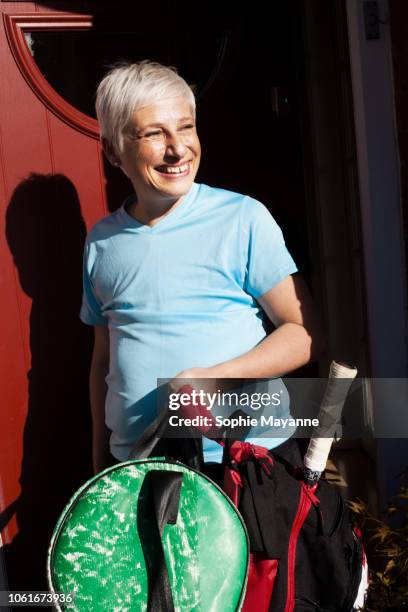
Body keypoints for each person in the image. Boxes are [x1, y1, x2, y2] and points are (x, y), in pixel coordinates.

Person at [80, 60, 324, 474]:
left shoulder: (241, 218)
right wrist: (100, 458)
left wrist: (217, 377)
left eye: (186, 127)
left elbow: (303, 334)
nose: (177, 149)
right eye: (155, 133)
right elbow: (104, 360)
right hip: (137, 464)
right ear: (112, 150)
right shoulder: (101, 242)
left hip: (239, 462)